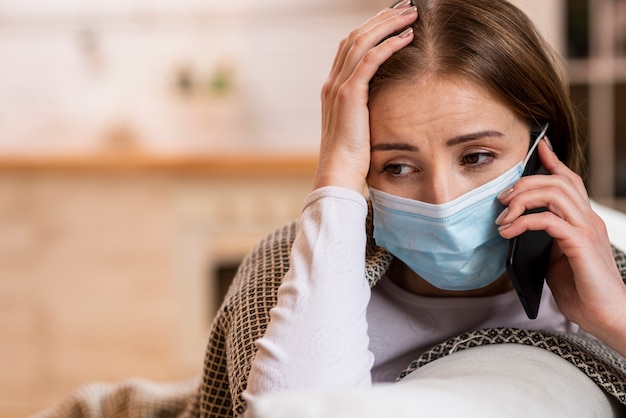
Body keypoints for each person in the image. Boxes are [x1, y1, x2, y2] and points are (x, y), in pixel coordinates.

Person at [33, 0, 626, 417]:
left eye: (476, 156)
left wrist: (614, 318)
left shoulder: (602, 271)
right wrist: (336, 177)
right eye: (396, 165)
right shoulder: (288, 267)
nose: (443, 200)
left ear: (544, 148)